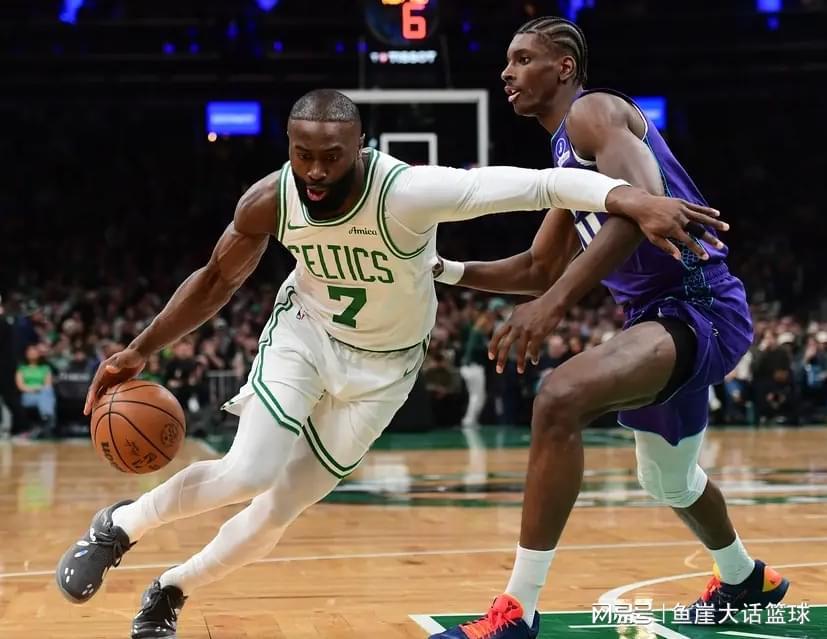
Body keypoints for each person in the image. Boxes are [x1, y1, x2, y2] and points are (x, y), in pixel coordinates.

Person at [53, 89, 723, 639]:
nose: (315, 171)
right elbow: (215, 279)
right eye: (303, 155)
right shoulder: (270, 199)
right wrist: (140, 347)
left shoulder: (406, 191)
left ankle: (171, 590)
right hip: (305, 337)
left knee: (279, 509)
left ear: (360, 148)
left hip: (386, 369)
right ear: (289, 148)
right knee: (248, 470)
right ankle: (120, 527)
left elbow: (539, 184)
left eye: (331, 157)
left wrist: (629, 198)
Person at [430, 18, 788, 639]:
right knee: (668, 480)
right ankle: (745, 578)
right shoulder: (563, 161)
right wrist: (441, 268)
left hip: (698, 303)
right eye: (507, 61)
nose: (506, 72)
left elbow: (643, 209)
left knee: (559, 398)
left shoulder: (591, 114)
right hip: (655, 318)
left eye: (523, 59)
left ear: (564, 67)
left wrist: (555, 304)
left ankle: (519, 611)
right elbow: (538, 267)